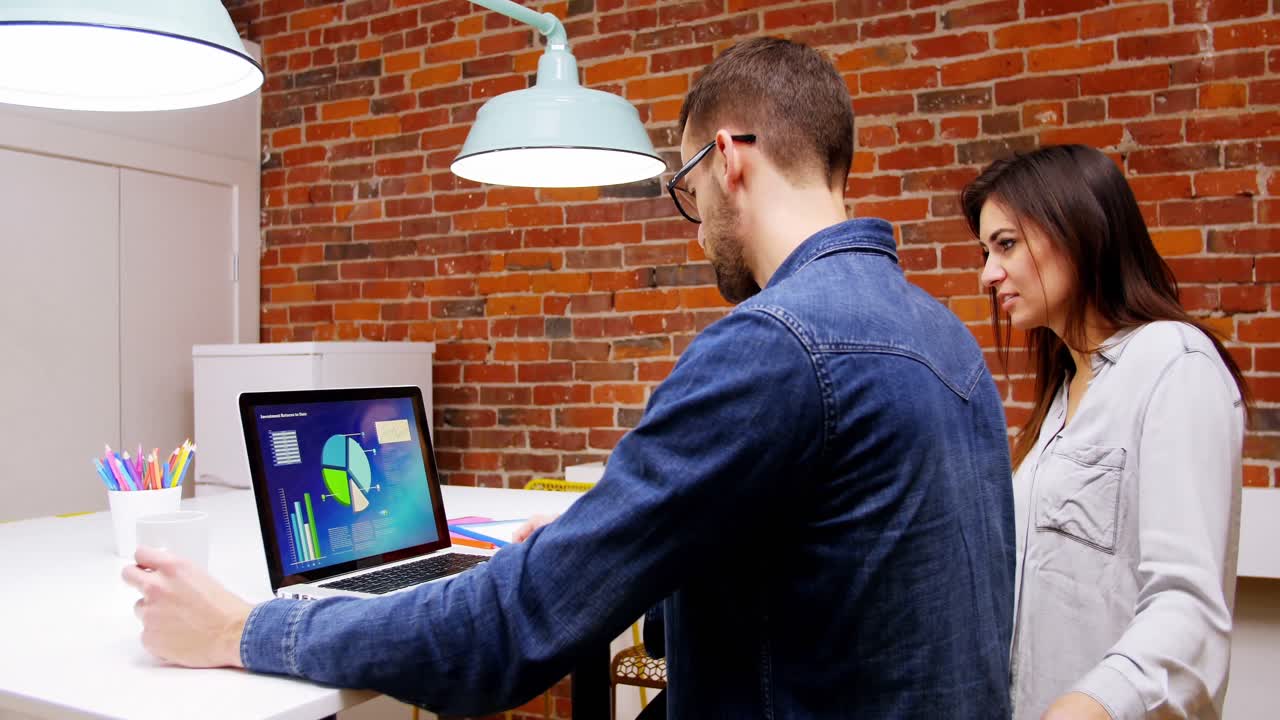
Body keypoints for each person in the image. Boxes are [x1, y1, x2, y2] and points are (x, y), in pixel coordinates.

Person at [123, 37, 1015, 718]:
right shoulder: (947, 340)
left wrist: (242, 629)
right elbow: (844, 582)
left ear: (728, 161)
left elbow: (506, 636)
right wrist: (624, 535)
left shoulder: (774, 347)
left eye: (687, 190)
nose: (694, 220)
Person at [962, 144, 1248, 720]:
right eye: (986, 251)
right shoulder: (1060, 398)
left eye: (1006, 245)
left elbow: (1188, 609)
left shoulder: (1174, 365)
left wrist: (1090, 705)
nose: (989, 274)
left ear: (1078, 229)